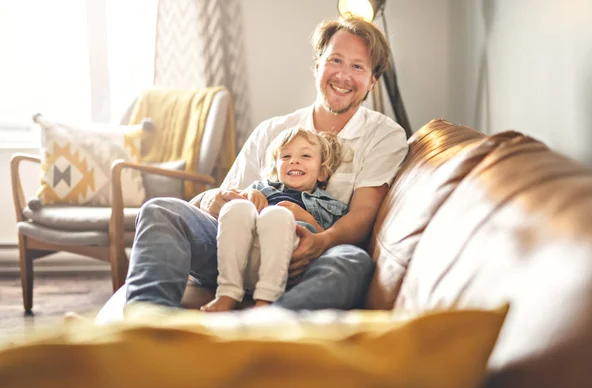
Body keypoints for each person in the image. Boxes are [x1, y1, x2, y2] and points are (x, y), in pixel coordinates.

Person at [111, 15, 408, 316]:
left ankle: (263, 323)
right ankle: (145, 328)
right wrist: (213, 198)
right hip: (236, 254)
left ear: (372, 80)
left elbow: (362, 215)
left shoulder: (384, 135)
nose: (343, 75)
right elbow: (219, 198)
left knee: (353, 262)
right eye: (335, 60)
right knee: (160, 209)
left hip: (306, 261)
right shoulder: (272, 130)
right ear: (317, 66)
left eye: (357, 66)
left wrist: (320, 241)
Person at [201, 127, 348, 312]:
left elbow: (329, 242)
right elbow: (238, 211)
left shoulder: (329, 205)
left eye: (306, 156)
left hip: (286, 261)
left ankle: (266, 299)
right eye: (286, 156)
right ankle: (227, 292)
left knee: (276, 215)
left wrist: (308, 219)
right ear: (276, 169)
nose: (294, 160)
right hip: (245, 253)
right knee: (236, 206)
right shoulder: (261, 188)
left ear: (322, 173)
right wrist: (249, 194)